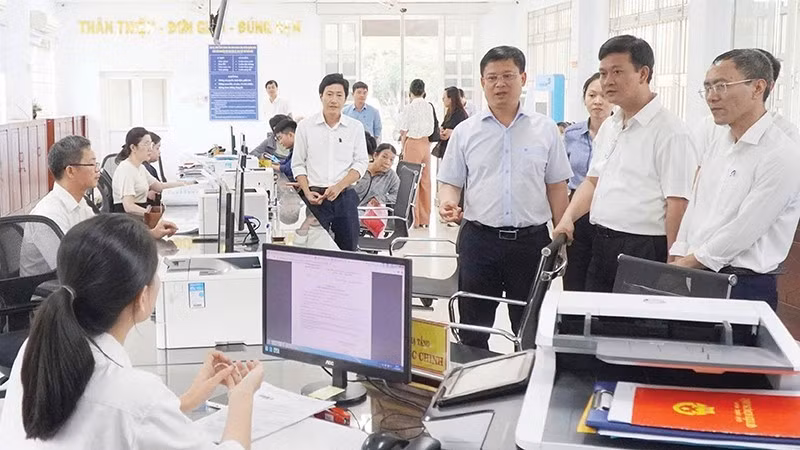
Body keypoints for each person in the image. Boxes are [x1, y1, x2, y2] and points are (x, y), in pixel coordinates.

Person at [1, 214, 264, 449]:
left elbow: (111, 418)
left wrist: (186, 401)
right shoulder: (133, 393)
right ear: (141, 298)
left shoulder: (37, 348)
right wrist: (241, 397)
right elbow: (128, 409)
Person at [438, 46, 572, 350]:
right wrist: (447, 201)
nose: (500, 84)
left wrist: (562, 234)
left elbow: (556, 186)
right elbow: (450, 182)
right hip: (479, 241)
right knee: (472, 327)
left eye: (508, 76)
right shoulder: (465, 132)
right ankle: (473, 388)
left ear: (523, 78)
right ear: (482, 82)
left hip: (531, 245)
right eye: (492, 77)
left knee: (530, 329)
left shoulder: (546, 130)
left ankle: (525, 389)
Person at [553, 35, 697, 293]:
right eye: (603, 72)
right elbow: (592, 180)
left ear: (643, 74)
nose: (608, 81)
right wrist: (568, 218)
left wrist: (672, 265)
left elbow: (678, 202)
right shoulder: (612, 124)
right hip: (602, 242)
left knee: (632, 327)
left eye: (617, 71)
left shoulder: (670, 132)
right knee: (595, 320)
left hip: (643, 248)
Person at [670, 49, 800, 310]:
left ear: (758, 88)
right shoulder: (719, 143)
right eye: (707, 87)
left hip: (742, 285)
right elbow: (696, 203)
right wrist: (678, 251)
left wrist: (689, 263)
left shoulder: (781, 153)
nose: (712, 96)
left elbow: (745, 228)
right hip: (696, 271)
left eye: (722, 86)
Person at [19, 136, 177, 276]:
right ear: (71, 171)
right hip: (54, 296)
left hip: (79, 281)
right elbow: (70, 268)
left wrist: (150, 234)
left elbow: (105, 235)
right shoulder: (48, 215)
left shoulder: (80, 202)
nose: (98, 170)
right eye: (91, 164)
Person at [292, 73, 369, 251]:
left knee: (349, 250)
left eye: (339, 95)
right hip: (315, 199)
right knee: (314, 252)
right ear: (321, 96)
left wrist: (339, 186)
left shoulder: (355, 127)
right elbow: (298, 163)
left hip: (345, 197)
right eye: (329, 94)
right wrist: (306, 191)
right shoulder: (305, 126)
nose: (334, 99)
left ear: (345, 98)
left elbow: (361, 163)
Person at [561, 73, 613, 291]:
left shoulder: (620, 132)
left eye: (603, 95)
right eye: (592, 95)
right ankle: (572, 323)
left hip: (609, 209)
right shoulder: (572, 134)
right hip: (578, 209)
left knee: (602, 275)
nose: (597, 101)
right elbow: (561, 177)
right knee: (574, 273)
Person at [112, 127, 191, 215]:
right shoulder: (126, 169)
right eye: (146, 144)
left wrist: (186, 184)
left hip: (140, 214)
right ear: (133, 147)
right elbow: (129, 207)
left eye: (151, 144)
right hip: (129, 220)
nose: (150, 149)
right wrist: (153, 215)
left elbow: (159, 187)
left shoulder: (140, 167)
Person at [398, 79, 435, 228]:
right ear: (424, 91)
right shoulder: (429, 106)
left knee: (412, 181)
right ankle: (425, 220)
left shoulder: (409, 108)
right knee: (426, 180)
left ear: (410, 92)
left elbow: (403, 130)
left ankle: (415, 219)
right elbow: (432, 127)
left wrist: (403, 146)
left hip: (412, 142)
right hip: (426, 143)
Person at [354, 143, 400, 207]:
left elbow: (398, 196)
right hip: (348, 209)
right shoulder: (361, 169)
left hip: (368, 213)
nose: (387, 162)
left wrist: (380, 199)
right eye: (384, 157)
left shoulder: (391, 176)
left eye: (391, 159)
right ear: (375, 155)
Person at [432, 86, 469, 161]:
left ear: (451, 99)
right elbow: (444, 126)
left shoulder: (460, 113)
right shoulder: (450, 112)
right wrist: (441, 130)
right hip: (447, 151)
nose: (443, 100)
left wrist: (450, 132)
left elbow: (464, 132)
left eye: (444, 98)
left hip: (455, 153)